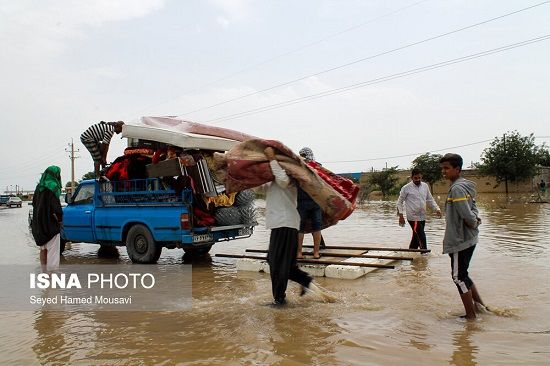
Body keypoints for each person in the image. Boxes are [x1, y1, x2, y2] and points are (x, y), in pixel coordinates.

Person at [264, 146, 313, 306]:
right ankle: (304, 279)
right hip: (280, 224)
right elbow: (258, 187)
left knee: (277, 263)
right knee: (276, 261)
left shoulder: (290, 177)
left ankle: (279, 299)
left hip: (285, 224)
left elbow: (283, 181)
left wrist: (272, 159)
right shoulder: (273, 180)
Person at [440, 153, 486, 320]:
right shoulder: (464, 186)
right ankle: (480, 307)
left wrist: (473, 222)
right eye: (442, 168)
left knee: (458, 277)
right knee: (463, 275)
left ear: (457, 169)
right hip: (467, 238)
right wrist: (475, 222)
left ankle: (471, 316)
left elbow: (466, 214)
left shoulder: (458, 188)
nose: (443, 172)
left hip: (461, 240)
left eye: (446, 168)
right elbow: (473, 210)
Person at [397, 168, 441, 250]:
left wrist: (437, 209)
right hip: (413, 217)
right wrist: (401, 216)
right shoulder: (406, 188)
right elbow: (399, 202)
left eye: (419, 178)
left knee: (416, 238)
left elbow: (430, 199)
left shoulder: (425, 186)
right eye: (415, 178)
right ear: (412, 177)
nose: (417, 180)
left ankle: (410, 254)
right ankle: (425, 256)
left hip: (422, 216)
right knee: (421, 237)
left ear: (421, 177)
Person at [31, 166, 63, 272]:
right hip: (50, 226)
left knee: (43, 249)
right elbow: (56, 209)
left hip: (38, 225)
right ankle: (52, 280)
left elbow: (34, 204)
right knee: (53, 253)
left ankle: (44, 274)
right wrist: (60, 221)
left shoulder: (38, 188)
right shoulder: (53, 188)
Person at [296, 147, 323, 259]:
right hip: (307, 201)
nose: (302, 157)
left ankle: (310, 253)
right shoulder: (300, 167)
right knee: (310, 228)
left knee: (312, 228)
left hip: (311, 202)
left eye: (302, 155)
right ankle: (305, 253)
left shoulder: (314, 167)